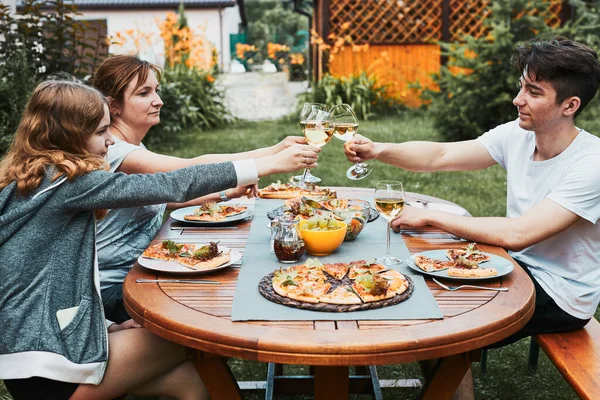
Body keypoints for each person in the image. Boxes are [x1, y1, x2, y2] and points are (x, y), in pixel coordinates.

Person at [0, 79, 318, 400]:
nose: (110, 140)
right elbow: (171, 184)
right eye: (100, 132)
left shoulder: (29, 182)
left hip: (39, 352)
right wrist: (268, 165)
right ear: (67, 135)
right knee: (200, 333)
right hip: (51, 366)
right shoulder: (65, 182)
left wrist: (109, 326)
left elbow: (40, 284)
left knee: (192, 383)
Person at [345, 36, 600, 344]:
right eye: (521, 86)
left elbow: (518, 234)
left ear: (569, 105)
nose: (518, 100)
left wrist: (431, 217)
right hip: (513, 264)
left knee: (447, 317)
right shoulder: (516, 135)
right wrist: (379, 149)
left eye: (533, 92)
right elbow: (441, 156)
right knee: (414, 276)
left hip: (559, 294)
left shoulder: (591, 163)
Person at [91, 55, 316, 322]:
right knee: (214, 307)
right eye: (144, 93)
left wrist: (226, 192)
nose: (158, 100)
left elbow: (163, 196)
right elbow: (188, 170)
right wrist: (271, 160)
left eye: (156, 90)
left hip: (144, 270)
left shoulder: (134, 148)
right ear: (114, 106)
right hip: (114, 291)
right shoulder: (117, 152)